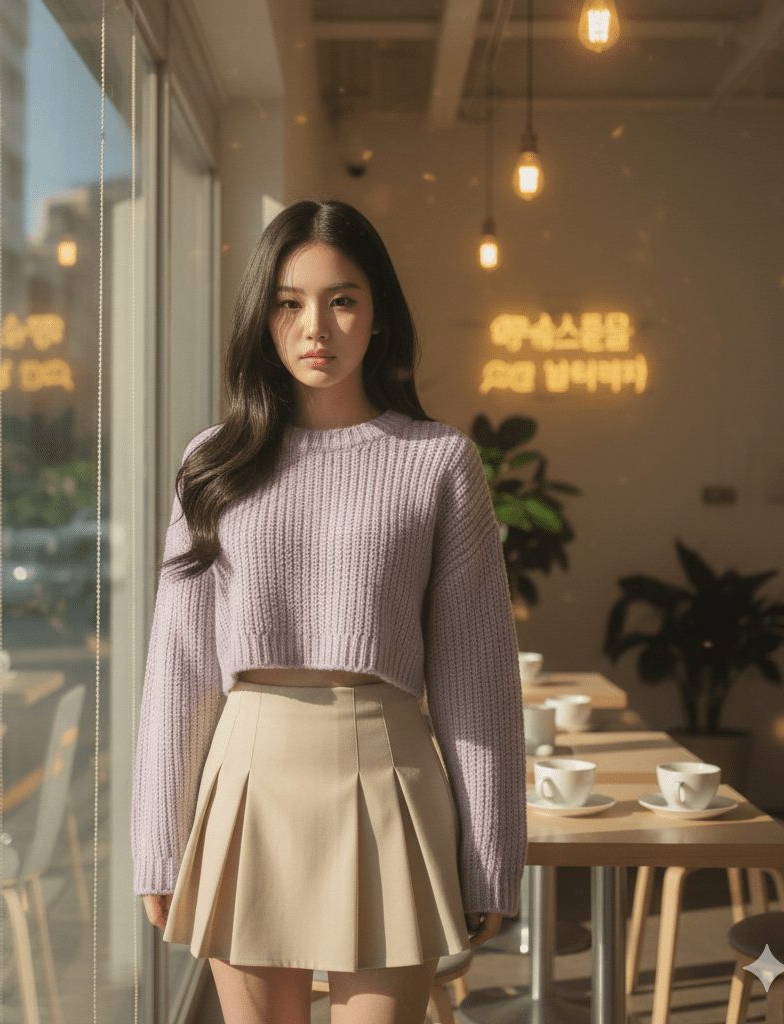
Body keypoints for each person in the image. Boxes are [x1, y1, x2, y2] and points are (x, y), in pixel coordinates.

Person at [131, 198, 527, 1023]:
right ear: (263, 317)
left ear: (378, 314)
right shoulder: (212, 462)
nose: (317, 326)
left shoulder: (438, 461)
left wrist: (493, 855)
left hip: (387, 771)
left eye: (342, 299)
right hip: (247, 778)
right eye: (289, 301)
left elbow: (476, 676)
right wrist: (159, 844)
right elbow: (180, 664)